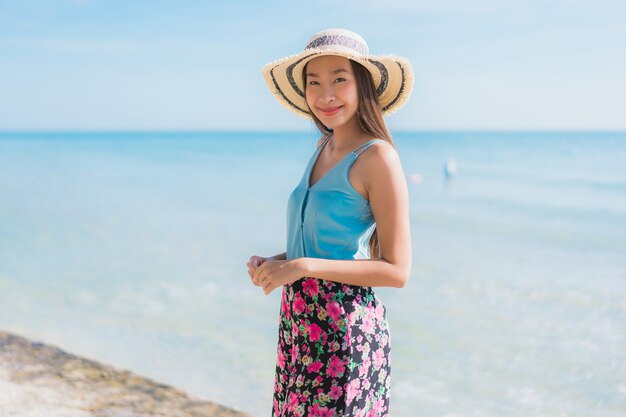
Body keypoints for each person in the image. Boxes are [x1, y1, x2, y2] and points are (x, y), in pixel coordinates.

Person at [248, 28, 414, 417]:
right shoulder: (324, 147)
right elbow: (326, 245)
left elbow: (397, 271)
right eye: (314, 83)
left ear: (362, 85)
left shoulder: (378, 158)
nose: (326, 95)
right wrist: (278, 264)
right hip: (299, 329)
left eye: (339, 79)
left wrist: (302, 267)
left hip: (345, 336)